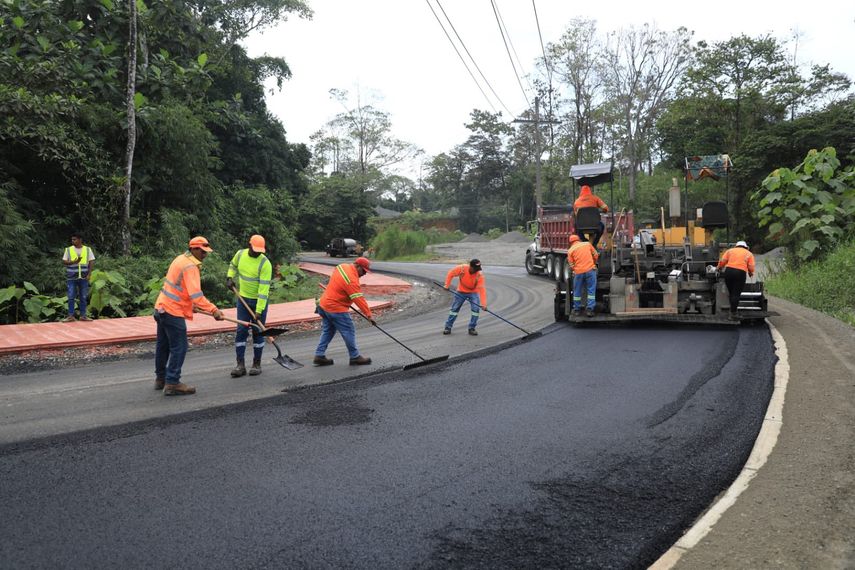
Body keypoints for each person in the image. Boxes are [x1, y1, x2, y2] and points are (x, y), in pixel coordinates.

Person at [153, 236, 224, 396]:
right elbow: (196, 295)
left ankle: (161, 379)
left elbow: (179, 288)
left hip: (161, 307)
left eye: (206, 251)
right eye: (202, 251)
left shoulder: (180, 259)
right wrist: (214, 310)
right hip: (172, 311)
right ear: (194, 249)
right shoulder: (190, 266)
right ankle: (172, 383)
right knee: (180, 346)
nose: (205, 255)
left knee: (163, 345)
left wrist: (189, 305)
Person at [313, 257, 374, 366]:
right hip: (335, 308)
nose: (364, 274)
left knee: (328, 330)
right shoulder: (352, 280)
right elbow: (358, 298)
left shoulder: (342, 266)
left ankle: (319, 355)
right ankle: (355, 357)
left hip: (323, 305)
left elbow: (337, 280)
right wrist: (369, 315)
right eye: (363, 271)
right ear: (357, 266)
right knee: (348, 330)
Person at [226, 234, 272, 377]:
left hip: (259, 301)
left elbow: (263, 291)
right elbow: (232, 265)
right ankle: (240, 365)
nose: (257, 252)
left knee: (258, 332)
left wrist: (259, 310)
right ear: (249, 245)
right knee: (241, 331)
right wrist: (229, 277)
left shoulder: (265, 264)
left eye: (260, 250)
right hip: (243, 300)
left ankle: (256, 364)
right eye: (255, 249)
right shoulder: (240, 255)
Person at [442, 259, 487, 336]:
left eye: (478, 269)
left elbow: (482, 289)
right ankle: (448, 327)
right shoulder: (462, 269)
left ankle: (472, 328)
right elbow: (450, 273)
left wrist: (484, 304)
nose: (477, 271)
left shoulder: (479, 275)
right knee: (454, 309)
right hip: (461, 292)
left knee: (475, 310)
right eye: (475, 269)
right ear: (471, 267)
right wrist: (447, 285)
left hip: (473, 292)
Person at [717, 240, 756, 320]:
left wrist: (718, 268)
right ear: (746, 247)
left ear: (736, 246)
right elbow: (751, 267)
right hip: (740, 273)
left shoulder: (730, 251)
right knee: (736, 293)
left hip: (728, 272)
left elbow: (722, 261)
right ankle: (733, 314)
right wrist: (750, 273)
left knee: (731, 293)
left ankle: (732, 310)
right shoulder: (749, 254)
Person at [62, 232, 95, 322]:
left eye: (74, 239)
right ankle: (70, 316)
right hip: (71, 277)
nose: (72, 241)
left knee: (83, 297)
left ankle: (83, 316)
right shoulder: (68, 250)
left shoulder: (88, 249)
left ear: (80, 240)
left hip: (84, 277)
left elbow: (91, 261)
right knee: (71, 297)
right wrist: (73, 262)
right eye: (72, 239)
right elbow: (64, 262)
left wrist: (89, 274)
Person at [567, 235, 599, 317]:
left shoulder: (570, 251)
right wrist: (593, 263)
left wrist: (576, 269)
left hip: (578, 273)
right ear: (579, 239)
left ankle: (577, 310)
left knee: (577, 290)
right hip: (590, 270)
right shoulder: (587, 244)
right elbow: (596, 255)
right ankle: (589, 310)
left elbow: (571, 265)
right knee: (591, 290)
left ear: (570, 242)